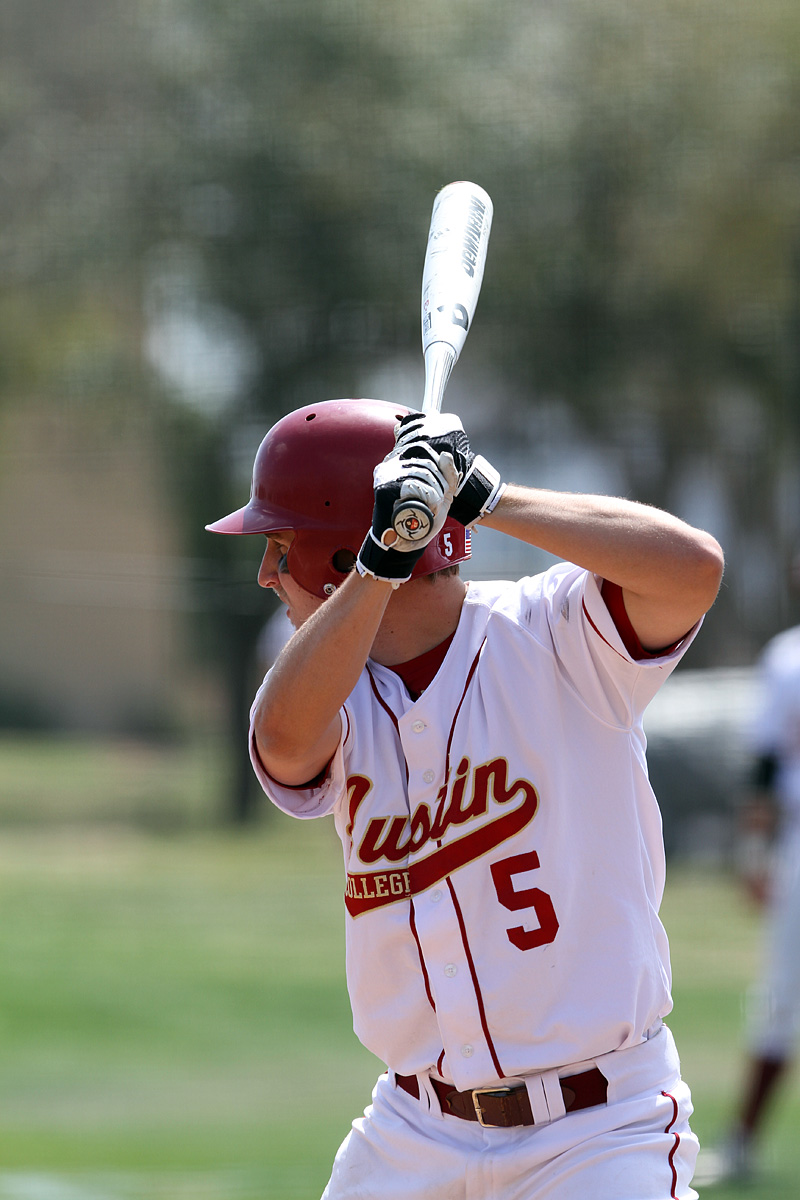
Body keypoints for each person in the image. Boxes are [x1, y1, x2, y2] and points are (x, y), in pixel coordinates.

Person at [207, 397, 724, 1200]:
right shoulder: (331, 690)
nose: (269, 571)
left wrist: (491, 496)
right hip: (414, 1132)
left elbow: (694, 570)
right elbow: (282, 741)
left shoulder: (555, 633)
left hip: (598, 1131)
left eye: (280, 545)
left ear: (330, 556)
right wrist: (382, 563)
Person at [697, 608, 800, 1186]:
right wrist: (756, 852)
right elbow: (764, 765)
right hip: (799, 845)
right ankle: (741, 1143)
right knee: (779, 998)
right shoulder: (788, 654)